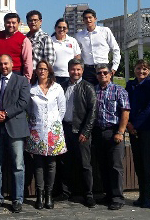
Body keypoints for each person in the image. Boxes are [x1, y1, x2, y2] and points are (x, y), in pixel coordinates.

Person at [0, 55, 30, 213]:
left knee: (18, 165)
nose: (3, 66)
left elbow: (23, 102)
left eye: (6, 63)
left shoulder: (21, 80)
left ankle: (17, 199)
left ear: (12, 64)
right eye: (0, 64)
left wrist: (5, 113)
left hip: (15, 127)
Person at [25, 61, 66, 210]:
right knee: (38, 164)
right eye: (39, 69)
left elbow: (62, 109)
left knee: (51, 164)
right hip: (37, 131)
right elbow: (28, 111)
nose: (42, 71)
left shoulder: (57, 88)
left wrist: (53, 125)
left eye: (44, 69)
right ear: (36, 72)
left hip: (53, 132)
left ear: (49, 71)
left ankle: (49, 194)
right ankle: (39, 195)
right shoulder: (31, 89)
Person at [58, 58, 97, 208]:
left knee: (85, 164)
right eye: (73, 69)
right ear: (68, 70)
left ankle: (88, 194)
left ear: (82, 71)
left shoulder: (88, 87)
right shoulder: (61, 86)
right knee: (65, 162)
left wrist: (86, 131)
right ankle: (65, 192)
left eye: (78, 69)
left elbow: (93, 111)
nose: (75, 72)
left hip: (81, 131)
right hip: (65, 129)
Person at [92, 64, 130, 210]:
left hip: (114, 131)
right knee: (102, 165)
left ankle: (117, 197)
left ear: (110, 74)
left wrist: (120, 132)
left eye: (105, 72)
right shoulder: (94, 90)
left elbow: (125, 112)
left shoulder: (119, 90)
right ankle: (108, 194)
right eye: (99, 73)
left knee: (115, 166)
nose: (102, 75)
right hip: (98, 131)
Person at [125, 60, 150, 209]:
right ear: (134, 70)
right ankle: (141, 195)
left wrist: (135, 125)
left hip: (147, 128)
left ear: (149, 71)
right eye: (139, 68)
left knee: (147, 163)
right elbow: (126, 104)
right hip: (133, 129)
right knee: (138, 163)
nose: (141, 72)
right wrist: (129, 124)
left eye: (145, 69)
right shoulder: (130, 85)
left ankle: (147, 197)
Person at [75, 9, 120, 85]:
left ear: (95, 19)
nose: (88, 20)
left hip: (104, 67)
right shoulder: (79, 35)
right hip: (88, 69)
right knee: (89, 94)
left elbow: (115, 49)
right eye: (85, 18)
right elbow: (76, 52)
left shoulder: (105, 31)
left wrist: (114, 67)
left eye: (90, 17)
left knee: (106, 93)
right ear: (83, 20)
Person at [0, 13, 33, 81]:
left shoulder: (24, 40)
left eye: (13, 23)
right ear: (4, 23)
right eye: (8, 22)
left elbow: (28, 62)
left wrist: (27, 80)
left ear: (18, 23)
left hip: (15, 74)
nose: (11, 25)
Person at [51, 18, 81, 84]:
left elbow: (77, 57)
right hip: (54, 75)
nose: (61, 29)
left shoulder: (72, 41)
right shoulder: (50, 41)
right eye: (59, 27)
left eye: (64, 28)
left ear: (67, 29)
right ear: (55, 28)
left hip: (69, 76)